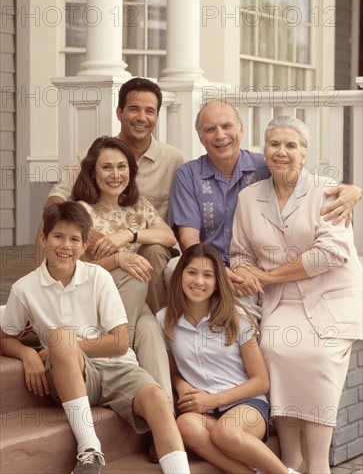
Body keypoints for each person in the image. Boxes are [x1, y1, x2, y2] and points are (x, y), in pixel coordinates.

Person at [0, 202, 191, 474]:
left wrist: (53, 349)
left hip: (117, 367)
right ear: (43, 238)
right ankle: (90, 450)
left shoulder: (99, 277)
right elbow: (4, 337)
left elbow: (120, 342)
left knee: (158, 400)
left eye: (75, 239)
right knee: (62, 339)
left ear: (85, 244)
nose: (66, 246)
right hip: (70, 374)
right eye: (58, 236)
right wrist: (28, 353)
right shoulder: (24, 289)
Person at [229, 115, 362, 473]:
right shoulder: (248, 197)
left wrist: (267, 274)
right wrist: (243, 272)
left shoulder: (328, 191)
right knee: (273, 348)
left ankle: (318, 465)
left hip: (330, 299)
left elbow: (331, 253)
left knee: (316, 356)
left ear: (304, 153)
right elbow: (240, 253)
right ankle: (291, 460)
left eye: (291, 145)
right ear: (264, 151)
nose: (282, 152)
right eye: (275, 144)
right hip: (281, 302)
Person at [166, 99, 362, 315]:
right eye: (210, 129)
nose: (220, 135)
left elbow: (304, 179)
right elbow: (189, 240)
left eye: (227, 126)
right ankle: (179, 337)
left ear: (241, 130)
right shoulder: (188, 175)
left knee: (242, 325)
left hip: (249, 271)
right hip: (207, 267)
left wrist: (354, 190)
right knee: (172, 268)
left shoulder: (267, 164)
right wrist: (218, 271)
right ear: (201, 137)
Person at [42, 77, 185, 313]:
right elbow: (57, 199)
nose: (142, 117)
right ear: (119, 112)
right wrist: (90, 235)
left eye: (149, 111)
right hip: (99, 253)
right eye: (134, 109)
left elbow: (172, 232)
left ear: (157, 117)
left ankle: (158, 321)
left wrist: (129, 236)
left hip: (148, 250)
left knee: (155, 251)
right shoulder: (93, 155)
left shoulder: (174, 160)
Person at [157, 243, 300, 474]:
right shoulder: (164, 320)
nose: (198, 282)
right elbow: (172, 370)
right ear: (180, 275)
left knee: (227, 432)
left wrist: (212, 400)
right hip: (205, 411)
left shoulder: (236, 316)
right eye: (192, 272)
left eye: (207, 275)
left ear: (216, 284)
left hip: (247, 405)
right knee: (185, 425)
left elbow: (261, 381)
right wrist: (181, 385)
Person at [71, 136, 176, 404]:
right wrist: (119, 261)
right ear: (92, 173)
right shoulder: (80, 212)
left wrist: (129, 235)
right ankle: (116, 355)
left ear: (131, 171)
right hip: (93, 301)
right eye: (107, 168)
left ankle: (165, 417)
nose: (115, 175)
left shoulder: (138, 206)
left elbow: (168, 237)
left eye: (122, 167)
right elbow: (74, 268)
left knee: (151, 329)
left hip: (132, 302)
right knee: (135, 271)